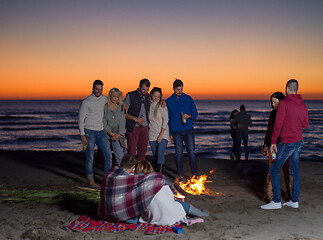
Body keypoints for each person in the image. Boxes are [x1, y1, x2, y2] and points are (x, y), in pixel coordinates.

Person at [261, 79, 309, 210]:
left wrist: (272, 142)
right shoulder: (303, 106)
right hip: (299, 141)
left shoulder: (285, 103)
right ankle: (294, 201)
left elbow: (278, 125)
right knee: (295, 172)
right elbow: (306, 125)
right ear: (297, 89)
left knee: (273, 169)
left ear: (287, 89)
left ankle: (276, 201)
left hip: (287, 142)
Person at [135, 160, 209, 226]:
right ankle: (202, 214)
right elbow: (171, 199)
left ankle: (199, 214)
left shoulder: (137, 186)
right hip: (168, 216)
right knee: (178, 203)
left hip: (152, 216)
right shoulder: (160, 180)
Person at [98, 154, 169, 223]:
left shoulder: (109, 174)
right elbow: (152, 179)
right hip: (117, 214)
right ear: (133, 167)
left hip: (105, 213)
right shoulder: (128, 179)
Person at [78, 80, 112, 187]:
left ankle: (106, 179)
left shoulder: (104, 99)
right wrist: (82, 135)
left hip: (101, 132)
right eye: (97, 89)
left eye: (101, 89)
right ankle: (90, 179)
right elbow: (80, 119)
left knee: (108, 156)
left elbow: (116, 102)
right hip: (89, 132)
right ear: (92, 88)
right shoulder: (86, 101)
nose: (99, 91)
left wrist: (124, 105)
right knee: (90, 157)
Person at [166, 79, 199, 182]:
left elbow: (195, 114)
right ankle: (180, 175)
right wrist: (170, 133)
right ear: (173, 89)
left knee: (191, 153)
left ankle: (195, 175)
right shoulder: (168, 101)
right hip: (176, 131)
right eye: (177, 89)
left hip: (188, 130)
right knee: (178, 153)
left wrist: (189, 115)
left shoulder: (188, 98)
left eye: (181, 89)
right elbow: (167, 118)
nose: (179, 91)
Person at [262, 92, 291, 201]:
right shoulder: (273, 113)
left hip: (285, 147)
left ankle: (289, 195)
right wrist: (265, 144)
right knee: (272, 170)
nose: (273, 104)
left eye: (274, 102)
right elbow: (269, 130)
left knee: (287, 171)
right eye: (271, 102)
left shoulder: (288, 113)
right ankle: (269, 195)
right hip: (273, 147)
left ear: (282, 101)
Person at [124, 79, 151, 161]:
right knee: (131, 152)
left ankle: (140, 172)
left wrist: (162, 102)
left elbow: (157, 100)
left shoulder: (149, 96)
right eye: (143, 89)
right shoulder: (130, 95)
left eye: (147, 89)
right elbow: (124, 113)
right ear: (139, 87)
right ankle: (131, 172)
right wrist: (135, 119)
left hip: (145, 128)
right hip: (133, 127)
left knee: (142, 153)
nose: (145, 91)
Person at [148, 87, 170, 173]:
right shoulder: (148, 105)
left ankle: (159, 176)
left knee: (160, 153)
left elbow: (165, 121)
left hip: (163, 133)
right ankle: (157, 173)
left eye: (158, 97)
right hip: (152, 134)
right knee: (155, 155)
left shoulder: (162, 106)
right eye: (154, 96)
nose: (156, 98)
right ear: (151, 95)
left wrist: (160, 135)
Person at [103, 88, 126, 167]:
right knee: (108, 157)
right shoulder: (105, 107)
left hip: (117, 135)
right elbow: (104, 121)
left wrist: (118, 135)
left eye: (117, 97)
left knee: (120, 156)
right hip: (106, 134)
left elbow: (122, 122)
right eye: (114, 96)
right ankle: (108, 174)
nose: (115, 99)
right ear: (110, 96)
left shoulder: (121, 107)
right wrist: (109, 133)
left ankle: (123, 174)